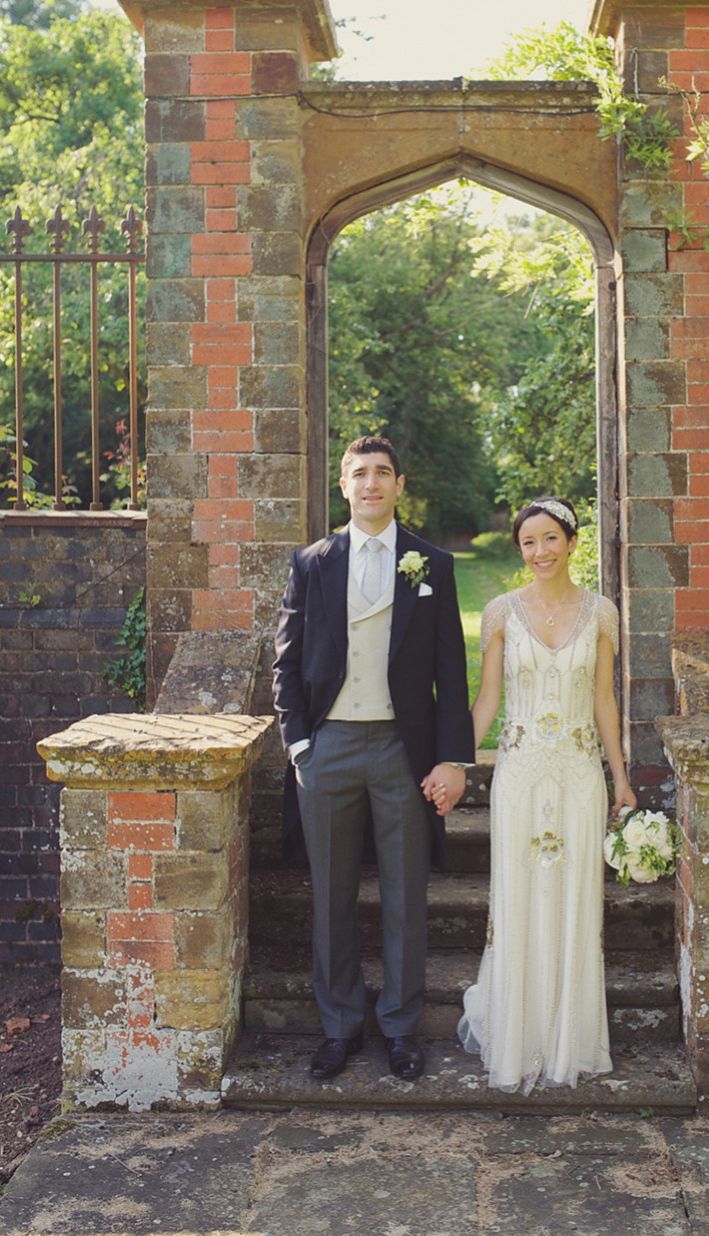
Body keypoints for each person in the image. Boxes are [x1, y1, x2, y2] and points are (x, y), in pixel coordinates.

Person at [272, 435, 474, 1082]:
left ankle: (400, 1027)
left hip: (400, 748)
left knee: (405, 894)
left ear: (399, 484)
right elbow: (286, 661)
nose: (371, 484)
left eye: (382, 473)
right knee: (330, 895)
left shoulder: (432, 566)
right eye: (359, 474)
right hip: (328, 746)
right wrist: (300, 743)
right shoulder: (311, 563)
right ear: (343, 485)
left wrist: (452, 758)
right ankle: (338, 1026)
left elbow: (451, 671)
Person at [458, 497, 636, 1093]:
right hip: (520, 776)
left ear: (571, 542)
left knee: (575, 900)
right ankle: (520, 1041)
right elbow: (487, 699)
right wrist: (453, 757)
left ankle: (570, 1040)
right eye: (529, 542)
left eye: (550, 538)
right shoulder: (501, 613)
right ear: (520, 549)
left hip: (580, 776)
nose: (540, 551)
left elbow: (604, 701)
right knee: (518, 900)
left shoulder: (602, 613)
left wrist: (621, 778)